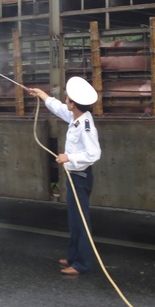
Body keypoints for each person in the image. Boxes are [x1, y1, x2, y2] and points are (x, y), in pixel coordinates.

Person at [29, 77, 101, 275]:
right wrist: (41, 94)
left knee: (80, 221)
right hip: (74, 176)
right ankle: (73, 257)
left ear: (74, 104)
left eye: (68, 99)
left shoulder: (85, 125)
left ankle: (82, 264)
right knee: (74, 219)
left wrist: (69, 157)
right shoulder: (77, 117)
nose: (66, 101)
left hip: (80, 177)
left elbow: (94, 154)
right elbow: (58, 108)